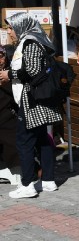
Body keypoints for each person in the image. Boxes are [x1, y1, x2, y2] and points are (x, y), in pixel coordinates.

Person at [0, 13, 61, 198]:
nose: (9, 31)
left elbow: (33, 71)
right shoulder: (30, 42)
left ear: (21, 25)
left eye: (10, 27)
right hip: (33, 100)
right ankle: (48, 180)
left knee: (23, 141)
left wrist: (9, 75)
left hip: (31, 101)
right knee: (42, 138)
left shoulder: (30, 43)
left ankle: (27, 185)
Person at [0, 46, 20, 178]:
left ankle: (18, 171)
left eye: (1, 56)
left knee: (11, 137)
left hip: (8, 116)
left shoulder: (9, 74)